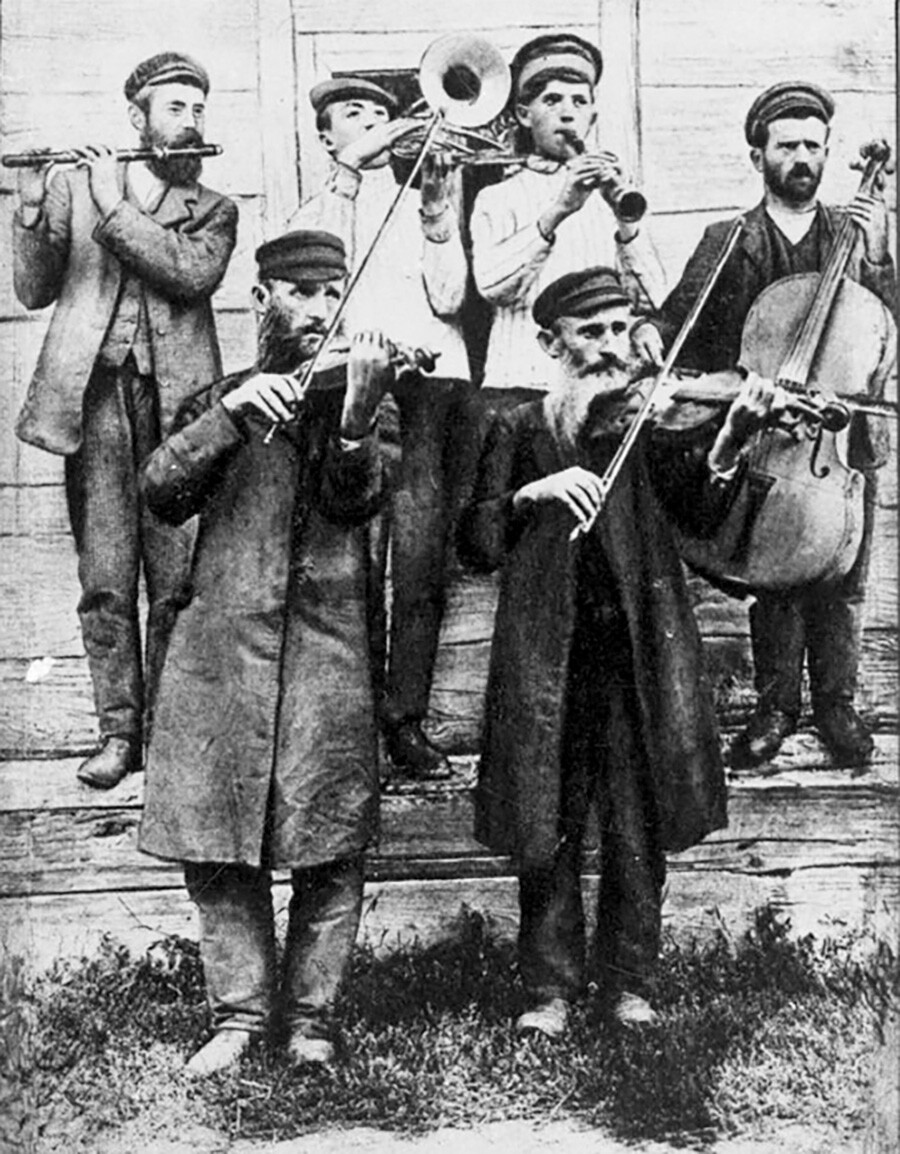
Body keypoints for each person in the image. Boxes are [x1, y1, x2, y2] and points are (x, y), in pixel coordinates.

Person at [457, 267, 785, 1036]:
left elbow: (703, 512)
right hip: (549, 654)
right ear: (549, 343)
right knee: (549, 823)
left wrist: (732, 436)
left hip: (638, 649)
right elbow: (474, 540)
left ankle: (628, 982)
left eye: (619, 328)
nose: (611, 348)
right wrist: (527, 497)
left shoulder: (655, 422)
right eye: (591, 332)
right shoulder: (520, 427)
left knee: (637, 824)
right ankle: (548, 989)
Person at [139, 229, 390, 1077]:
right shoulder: (219, 397)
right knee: (216, 839)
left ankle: (312, 1021)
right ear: (263, 301)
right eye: (302, 294)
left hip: (327, 646)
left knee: (330, 841)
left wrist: (353, 427)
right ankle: (241, 1018)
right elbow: (161, 493)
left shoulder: (365, 395)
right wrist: (229, 421)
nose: (320, 312)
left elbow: (357, 503)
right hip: (221, 646)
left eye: (332, 296)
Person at [640, 81, 896, 768]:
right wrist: (647, 334)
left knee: (844, 577)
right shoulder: (729, 240)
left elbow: (886, 329)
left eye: (814, 145)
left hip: (839, 439)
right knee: (772, 574)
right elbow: (678, 325)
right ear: (759, 156)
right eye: (788, 146)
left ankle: (838, 706)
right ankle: (776, 706)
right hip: (765, 436)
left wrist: (876, 257)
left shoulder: (853, 232)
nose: (803, 158)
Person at [12, 52, 238, 788]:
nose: (190, 122)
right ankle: (119, 734)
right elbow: (35, 288)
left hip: (181, 412)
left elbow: (188, 273)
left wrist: (111, 204)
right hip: (95, 402)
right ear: (136, 118)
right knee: (106, 578)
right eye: (175, 108)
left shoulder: (213, 208)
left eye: (196, 109)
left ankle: (169, 733)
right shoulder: (78, 185)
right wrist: (29, 207)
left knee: (175, 581)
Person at [289, 76, 473, 779]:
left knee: (420, 561)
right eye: (354, 116)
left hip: (427, 392)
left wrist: (436, 208)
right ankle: (350, 719)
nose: (376, 125)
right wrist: (352, 174)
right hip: (350, 392)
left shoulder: (420, 206)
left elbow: (451, 295)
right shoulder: (314, 209)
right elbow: (322, 272)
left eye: (384, 116)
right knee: (352, 562)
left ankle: (405, 721)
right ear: (328, 137)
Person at [470, 33, 666, 394]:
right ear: (523, 115)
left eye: (579, 101)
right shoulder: (496, 197)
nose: (567, 111)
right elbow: (492, 287)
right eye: (552, 100)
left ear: (592, 115)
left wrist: (626, 222)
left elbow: (652, 299)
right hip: (520, 384)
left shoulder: (614, 194)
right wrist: (560, 210)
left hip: (602, 389)